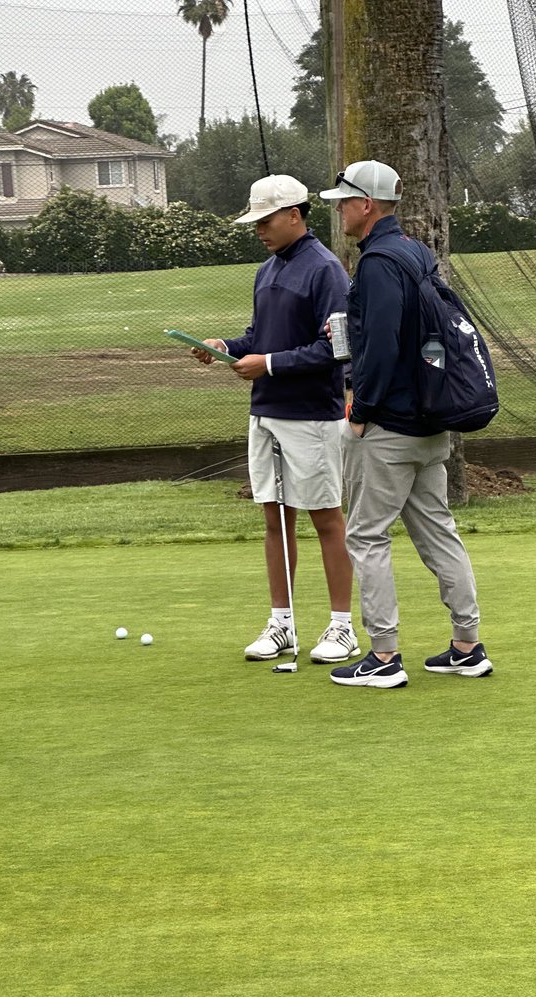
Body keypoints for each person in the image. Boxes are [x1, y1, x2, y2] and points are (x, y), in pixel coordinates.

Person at [318, 161, 492, 689]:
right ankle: (467, 646)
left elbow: (386, 346)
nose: (340, 210)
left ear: (366, 205)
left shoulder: (377, 263)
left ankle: (385, 657)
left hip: (391, 425)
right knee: (437, 530)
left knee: (367, 536)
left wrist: (361, 410)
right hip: (431, 422)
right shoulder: (416, 251)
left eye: (344, 201)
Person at [194, 174, 360, 665]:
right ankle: (282, 624)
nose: (259, 230)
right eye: (255, 222)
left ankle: (342, 628)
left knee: (326, 517)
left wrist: (266, 364)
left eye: (265, 221)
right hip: (266, 412)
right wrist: (228, 348)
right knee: (275, 516)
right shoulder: (267, 270)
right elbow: (259, 335)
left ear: (295, 215)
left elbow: (337, 349)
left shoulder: (326, 270)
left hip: (312, 415)